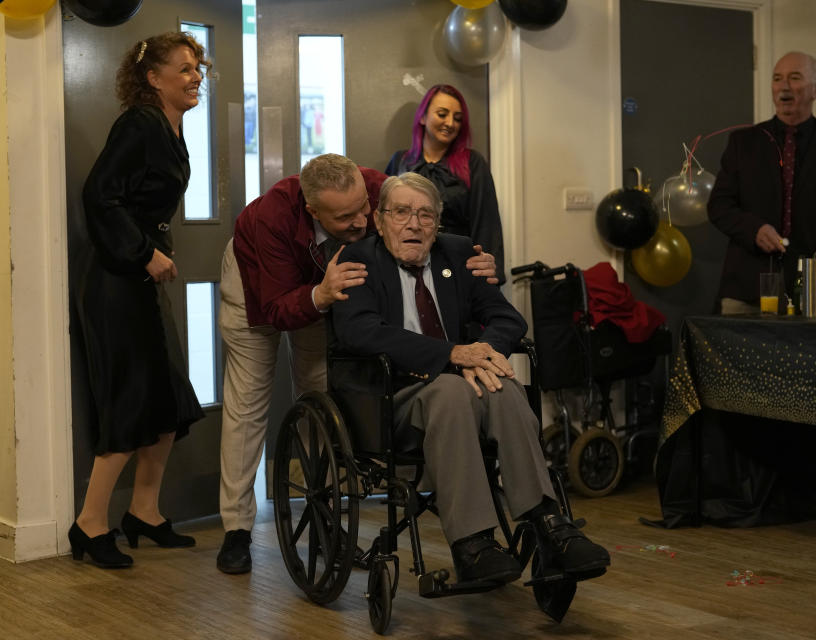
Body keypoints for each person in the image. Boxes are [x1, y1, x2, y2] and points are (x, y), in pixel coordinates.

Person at [216, 154, 498, 574]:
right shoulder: (268, 219)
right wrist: (319, 295)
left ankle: (328, 520)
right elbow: (277, 308)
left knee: (320, 389)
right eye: (346, 217)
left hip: (327, 279)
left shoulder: (374, 189)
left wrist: (469, 262)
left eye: (364, 208)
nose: (362, 221)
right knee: (249, 401)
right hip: (258, 281)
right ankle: (236, 529)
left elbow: (419, 227)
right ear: (313, 211)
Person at [332, 172, 610, 584]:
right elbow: (361, 332)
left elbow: (506, 318)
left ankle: (550, 526)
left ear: (438, 223)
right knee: (452, 389)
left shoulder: (458, 253)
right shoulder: (358, 260)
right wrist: (452, 354)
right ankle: (472, 543)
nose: (414, 224)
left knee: (502, 384)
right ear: (380, 219)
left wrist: (484, 353)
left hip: (462, 385)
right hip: (394, 398)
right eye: (402, 212)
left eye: (426, 215)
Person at [71, 32, 208, 568]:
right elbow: (98, 195)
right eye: (185, 69)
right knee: (131, 400)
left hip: (140, 279)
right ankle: (89, 524)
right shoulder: (139, 123)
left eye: (199, 69)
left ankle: (145, 513)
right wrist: (142, 253)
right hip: (116, 280)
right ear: (153, 78)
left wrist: (150, 256)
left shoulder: (169, 127)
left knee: (168, 400)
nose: (196, 76)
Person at [708, 51, 816, 314]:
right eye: (777, 78)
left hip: (811, 294)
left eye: (794, 78)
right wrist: (753, 229)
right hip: (746, 288)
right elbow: (719, 205)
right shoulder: (743, 143)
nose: (784, 86)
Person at [386, 84, 505, 284]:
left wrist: (487, 274)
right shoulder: (400, 162)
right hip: (405, 266)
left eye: (457, 118)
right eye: (442, 114)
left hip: (458, 266)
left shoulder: (473, 162)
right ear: (422, 117)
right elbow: (385, 220)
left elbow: (486, 222)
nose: (450, 123)